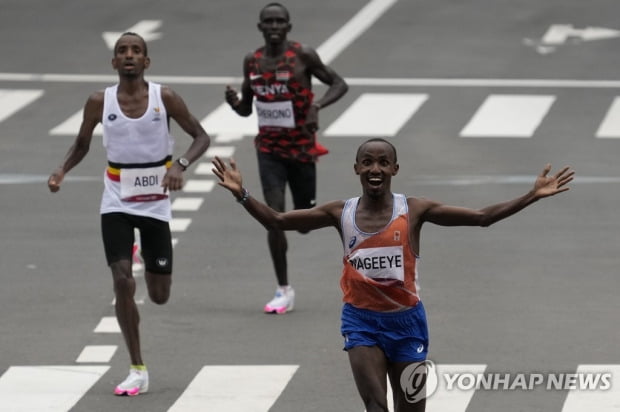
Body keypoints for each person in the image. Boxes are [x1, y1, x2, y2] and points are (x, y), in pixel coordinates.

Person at [211, 138, 574, 412]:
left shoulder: (414, 210)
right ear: (356, 168)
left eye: (384, 163)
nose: (375, 169)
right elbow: (277, 221)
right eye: (367, 162)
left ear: (395, 169)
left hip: (408, 324)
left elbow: (482, 217)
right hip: (361, 323)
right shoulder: (341, 213)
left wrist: (532, 195)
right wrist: (241, 193)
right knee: (376, 407)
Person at [48, 32, 211, 396]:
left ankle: (145, 257)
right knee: (122, 280)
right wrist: (61, 170)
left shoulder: (163, 97)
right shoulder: (98, 101)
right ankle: (137, 366)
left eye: (136, 51)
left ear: (146, 62)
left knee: (159, 295)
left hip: (155, 201)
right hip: (117, 200)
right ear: (114, 62)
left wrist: (180, 165)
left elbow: (201, 136)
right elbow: (82, 143)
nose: (129, 55)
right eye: (122, 51)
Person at [225, 2, 349, 314]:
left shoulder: (302, 56)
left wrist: (316, 106)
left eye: (280, 21)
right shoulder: (252, 62)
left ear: (288, 27)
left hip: (302, 150)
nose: (275, 26)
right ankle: (283, 289)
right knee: (274, 218)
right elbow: (245, 108)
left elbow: (339, 83)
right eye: (269, 21)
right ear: (261, 27)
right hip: (269, 151)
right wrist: (234, 103)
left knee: (305, 221)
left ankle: (301, 223)